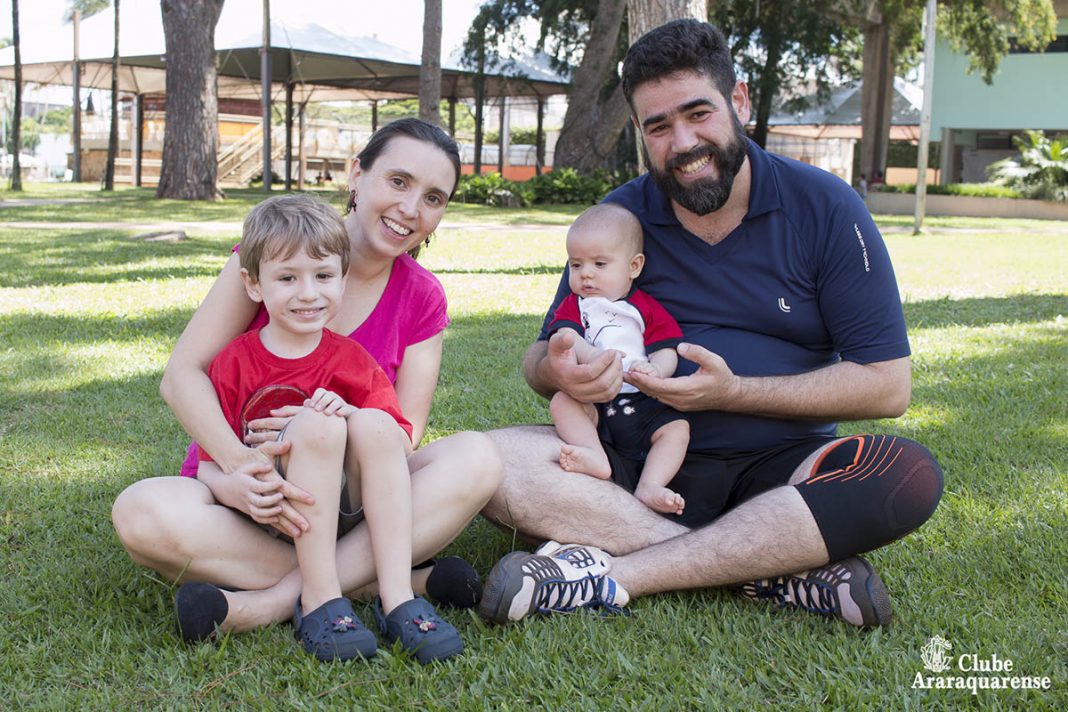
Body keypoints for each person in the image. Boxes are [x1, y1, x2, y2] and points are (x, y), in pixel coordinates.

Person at [479, 20, 943, 628]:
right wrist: (559, 368)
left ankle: (612, 574)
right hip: (637, 464)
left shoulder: (826, 207)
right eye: (659, 126)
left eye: (698, 113)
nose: (683, 141)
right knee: (489, 463)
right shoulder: (617, 221)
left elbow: (887, 385)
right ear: (642, 134)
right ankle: (771, 570)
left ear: (740, 101)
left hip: (780, 468)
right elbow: (540, 359)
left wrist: (736, 392)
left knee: (905, 475)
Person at [112, 119, 502, 657]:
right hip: (257, 495)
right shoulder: (273, 252)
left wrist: (329, 424)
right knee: (141, 512)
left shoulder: (422, 296)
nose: (411, 208)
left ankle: (272, 602)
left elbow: (403, 433)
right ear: (357, 175)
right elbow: (183, 375)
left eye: (433, 197)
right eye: (398, 181)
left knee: (478, 457)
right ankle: (398, 582)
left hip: (357, 496)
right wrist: (238, 469)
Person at [194, 193, 462, 662]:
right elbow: (205, 465)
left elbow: (392, 440)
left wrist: (348, 414)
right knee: (144, 507)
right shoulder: (232, 364)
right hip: (269, 515)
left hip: (343, 512)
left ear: (342, 279)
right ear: (253, 285)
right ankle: (323, 597)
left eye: (323, 276)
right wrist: (237, 485)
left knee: (344, 423)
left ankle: (398, 597)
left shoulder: (351, 362)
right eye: (287, 278)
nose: (308, 293)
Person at [548, 203, 688, 515]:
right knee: (561, 402)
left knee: (677, 429)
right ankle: (593, 454)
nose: (586, 274)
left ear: (634, 266)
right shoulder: (575, 305)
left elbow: (667, 346)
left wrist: (656, 371)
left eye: (599, 264)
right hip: (595, 400)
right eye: (576, 265)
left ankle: (651, 484)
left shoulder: (645, 307)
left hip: (642, 400)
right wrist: (592, 355)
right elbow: (565, 338)